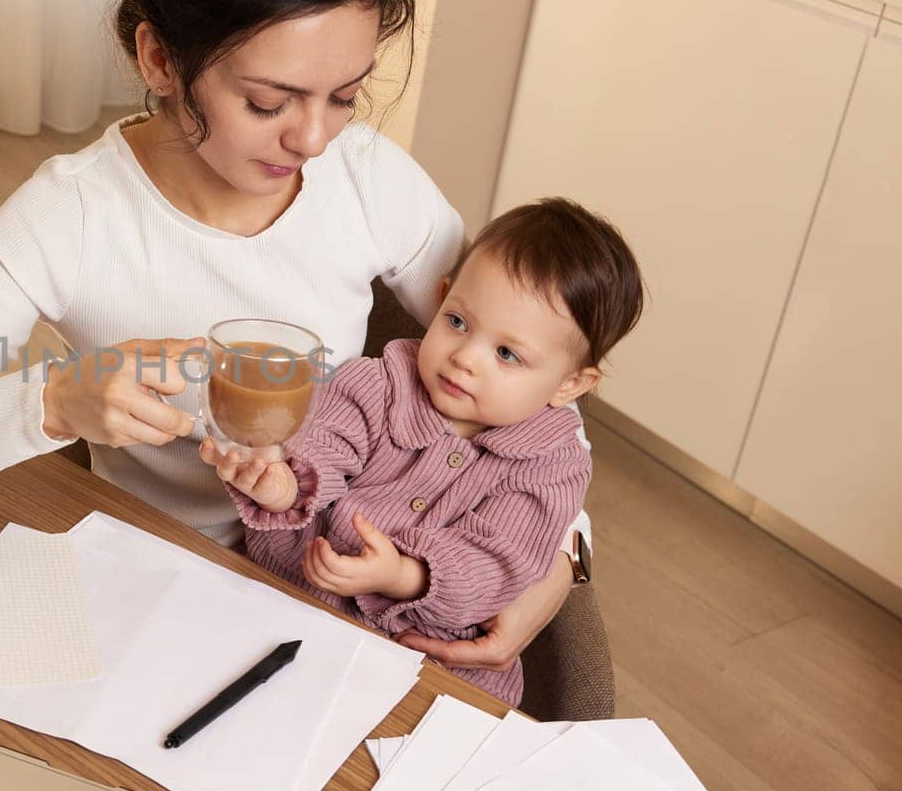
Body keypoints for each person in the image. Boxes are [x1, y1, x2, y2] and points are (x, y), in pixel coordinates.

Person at [0, 0, 583, 678]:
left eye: (344, 95)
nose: (314, 138)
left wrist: (557, 569)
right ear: (159, 60)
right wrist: (52, 401)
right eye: (268, 101)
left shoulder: (369, 182)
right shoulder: (70, 217)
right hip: (149, 591)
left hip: (336, 603)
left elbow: (538, 374)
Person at [205, 200, 644, 704]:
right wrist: (282, 485)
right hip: (285, 619)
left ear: (570, 384)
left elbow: (497, 563)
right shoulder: (377, 383)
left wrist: (403, 576)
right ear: (440, 300)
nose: (464, 358)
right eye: (457, 321)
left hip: (428, 677)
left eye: (506, 354)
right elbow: (324, 443)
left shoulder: (553, 468)